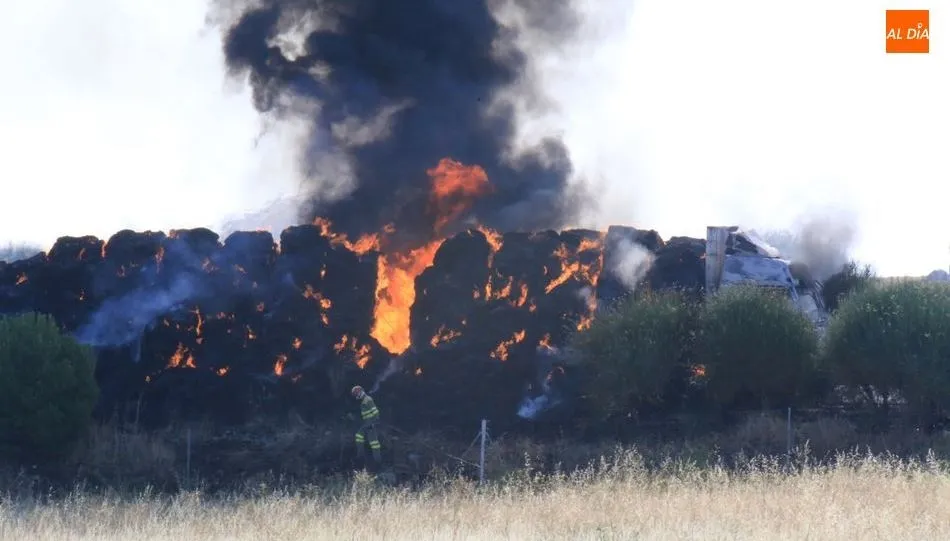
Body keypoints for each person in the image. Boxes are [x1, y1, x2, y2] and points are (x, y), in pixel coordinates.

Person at [351, 385, 381, 463]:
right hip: (367, 423)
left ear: (360, 392)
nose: (356, 396)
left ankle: (377, 460)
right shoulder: (364, 400)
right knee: (359, 436)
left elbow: (375, 412)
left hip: (370, 423)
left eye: (356, 394)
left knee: (374, 443)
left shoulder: (368, 399)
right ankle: (360, 456)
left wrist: (373, 423)